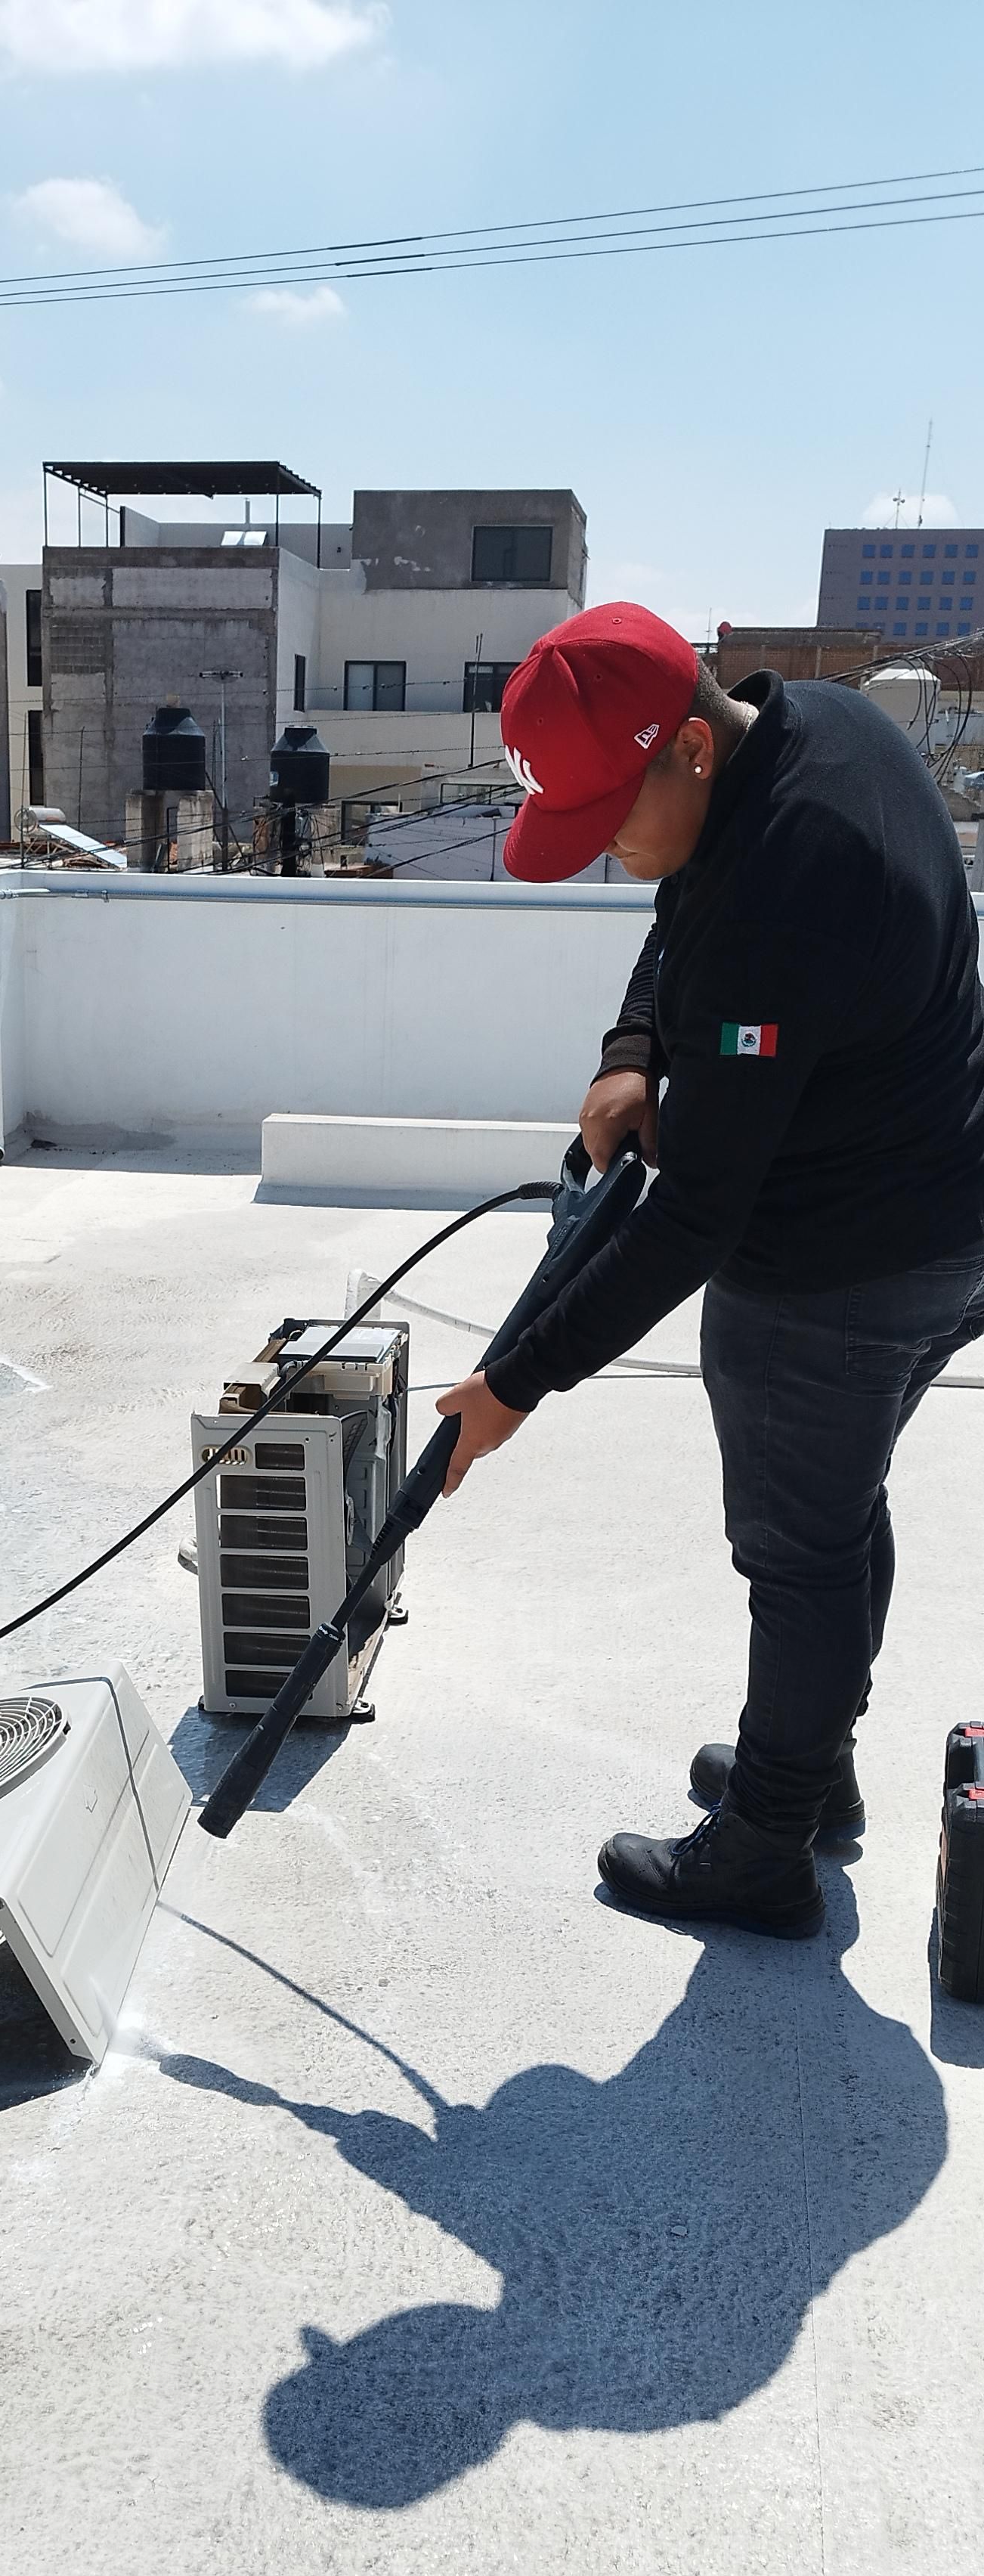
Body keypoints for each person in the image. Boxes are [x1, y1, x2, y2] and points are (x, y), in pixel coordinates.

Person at [435, 602, 984, 1938]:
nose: (610, 857)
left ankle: (764, 1852)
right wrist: (634, 1050)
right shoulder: (811, 728)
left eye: (610, 820)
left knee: (797, 1550)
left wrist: (514, 1385)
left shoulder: (781, 896)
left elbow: (691, 1221)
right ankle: (812, 1771)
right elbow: (685, 908)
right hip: (951, 1210)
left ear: (687, 745)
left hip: (845, 1262)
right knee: (834, 1511)